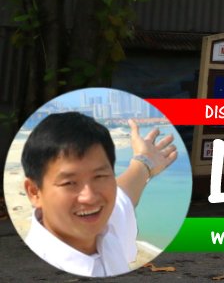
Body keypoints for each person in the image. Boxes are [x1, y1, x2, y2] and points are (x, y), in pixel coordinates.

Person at [21, 112, 179, 277]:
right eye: (69, 183)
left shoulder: (106, 226)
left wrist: (145, 161)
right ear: (34, 192)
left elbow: (124, 194)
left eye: (99, 176)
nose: (89, 197)